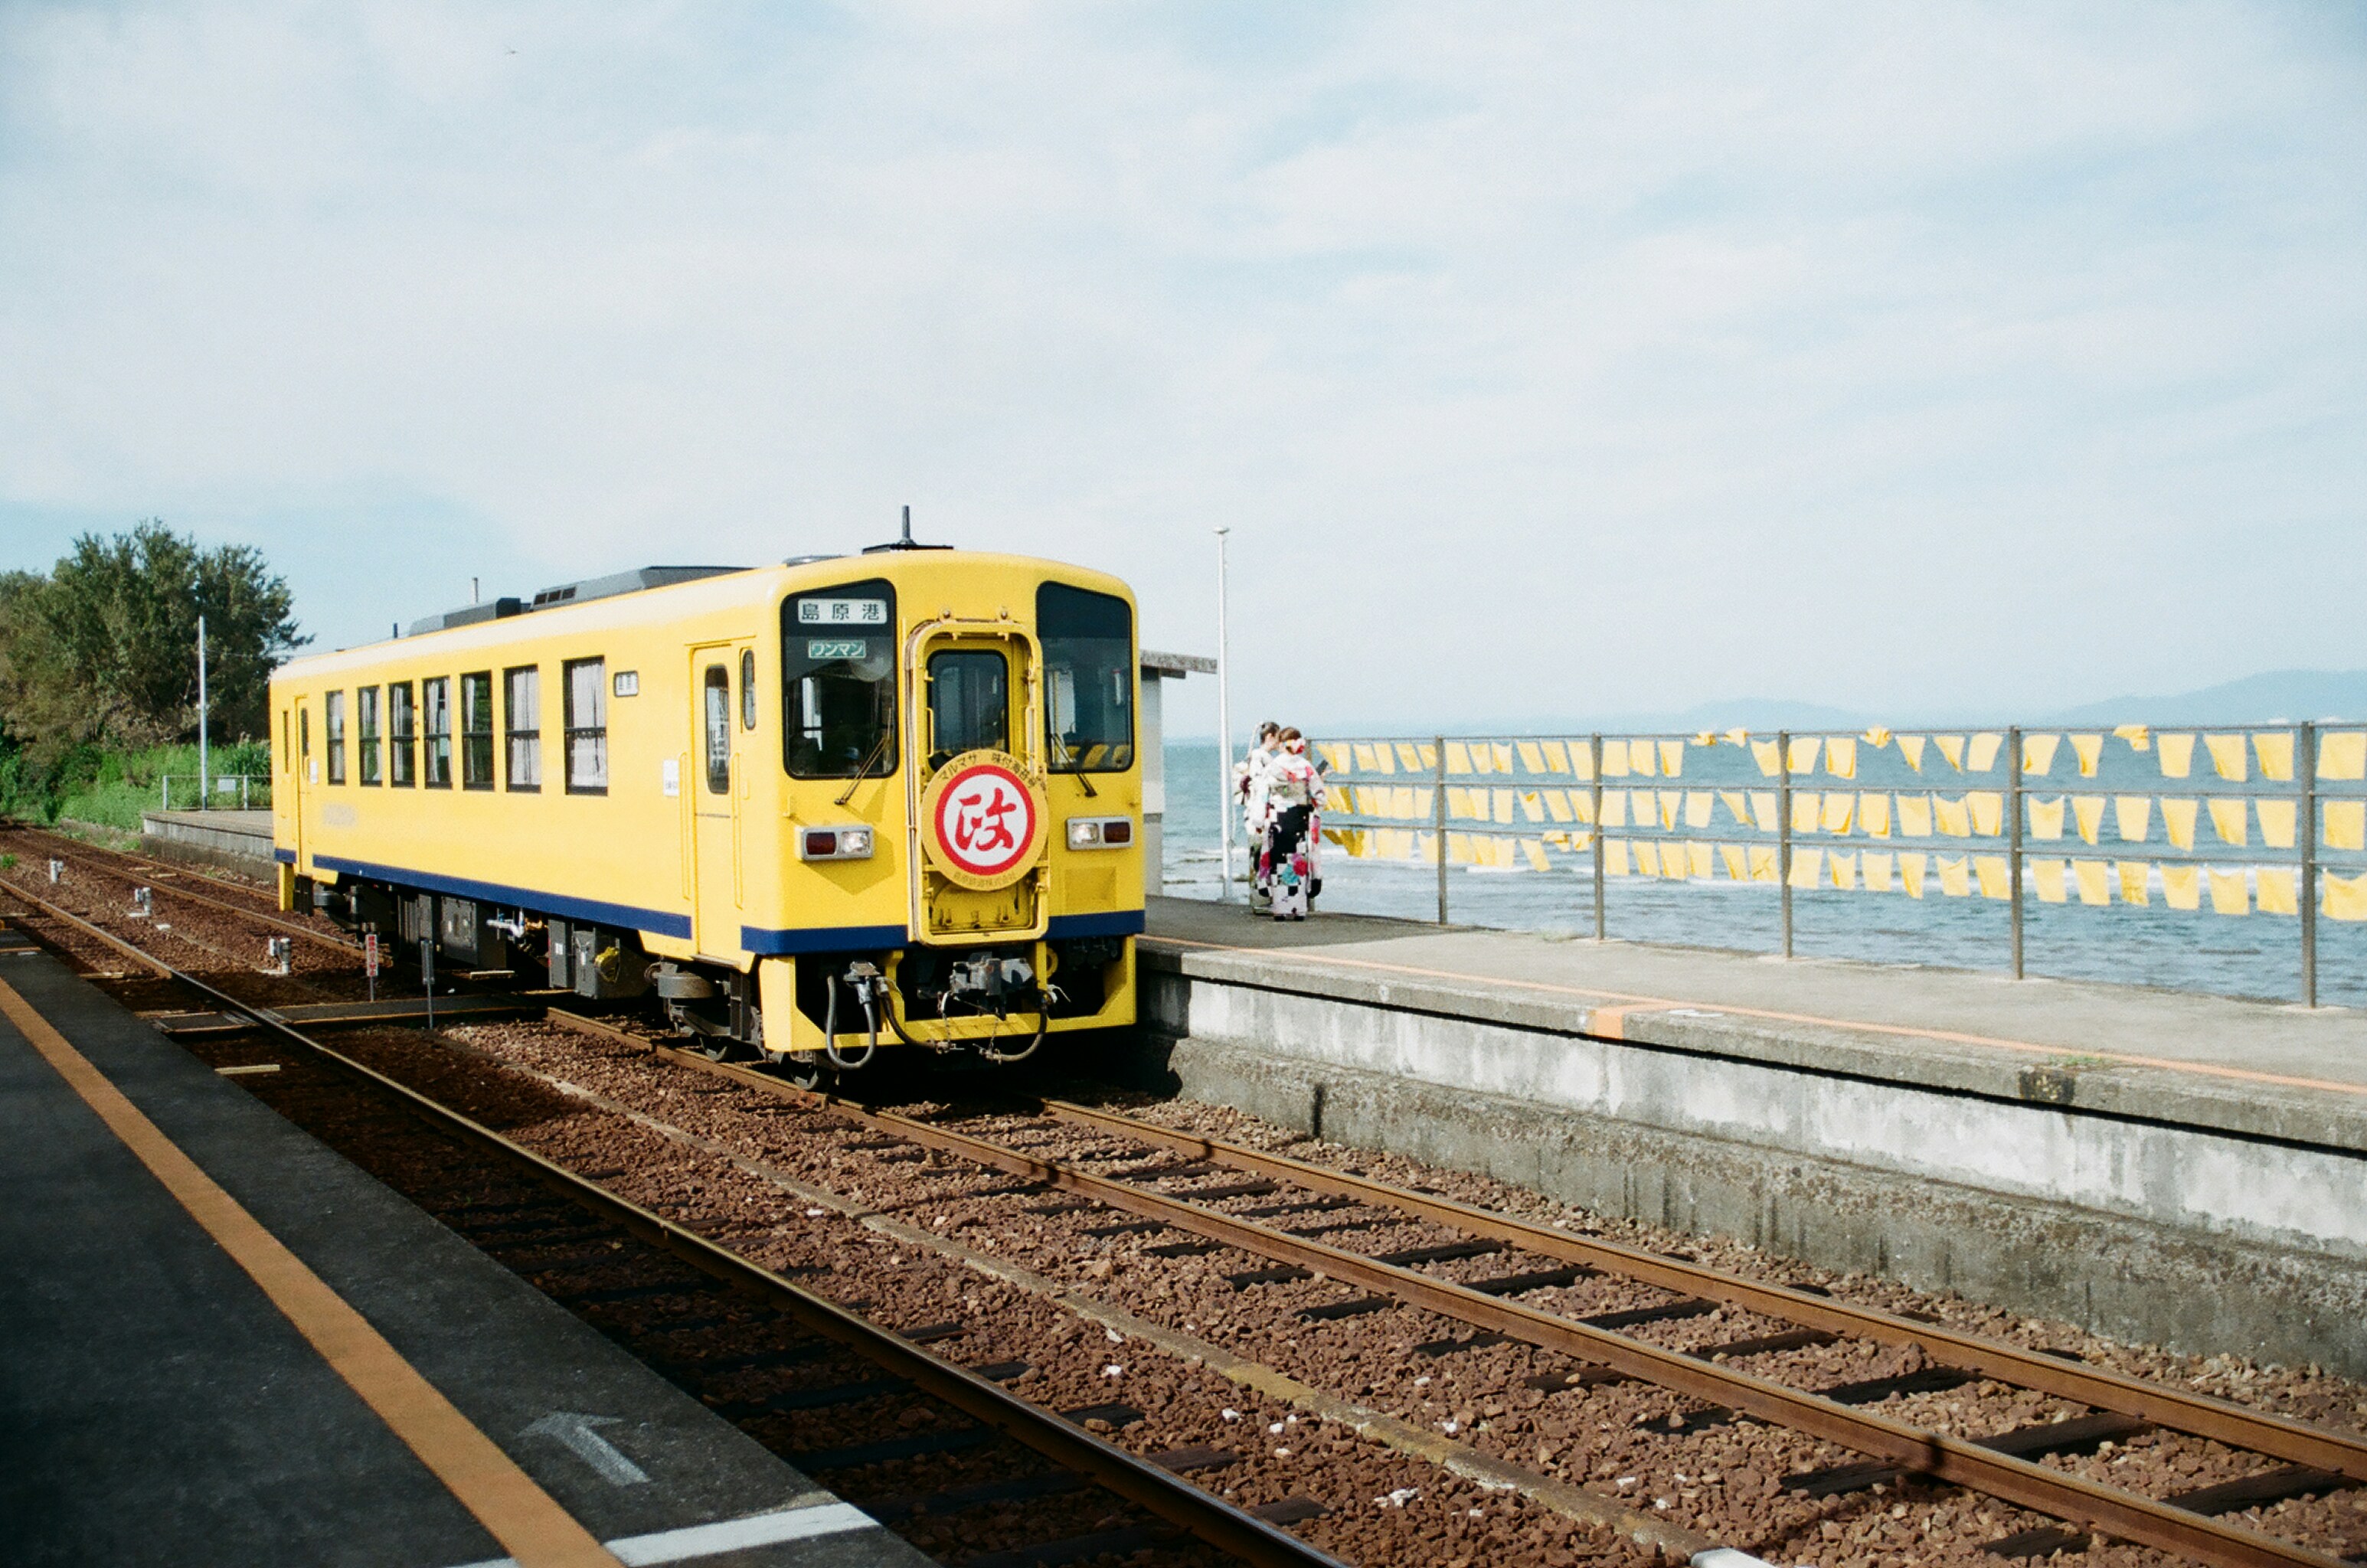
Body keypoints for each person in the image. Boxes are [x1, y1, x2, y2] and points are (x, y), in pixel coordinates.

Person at [1261, 728, 1327, 920]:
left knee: (1279, 862)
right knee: (1298, 863)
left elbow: (1262, 794)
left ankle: (1280, 909)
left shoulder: (1273, 766)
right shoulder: (1306, 767)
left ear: (1282, 743)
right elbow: (1319, 796)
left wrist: (1259, 819)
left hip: (1278, 819)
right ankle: (1299, 909)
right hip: (1299, 818)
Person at [1235, 721, 1280, 904]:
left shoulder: (1256, 758)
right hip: (1258, 816)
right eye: (1278, 739)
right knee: (1258, 858)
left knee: (1258, 857)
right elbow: (1263, 788)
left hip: (1255, 815)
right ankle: (1259, 899)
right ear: (1269, 737)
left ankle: (1260, 898)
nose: (1279, 744)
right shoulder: (1261, 759)